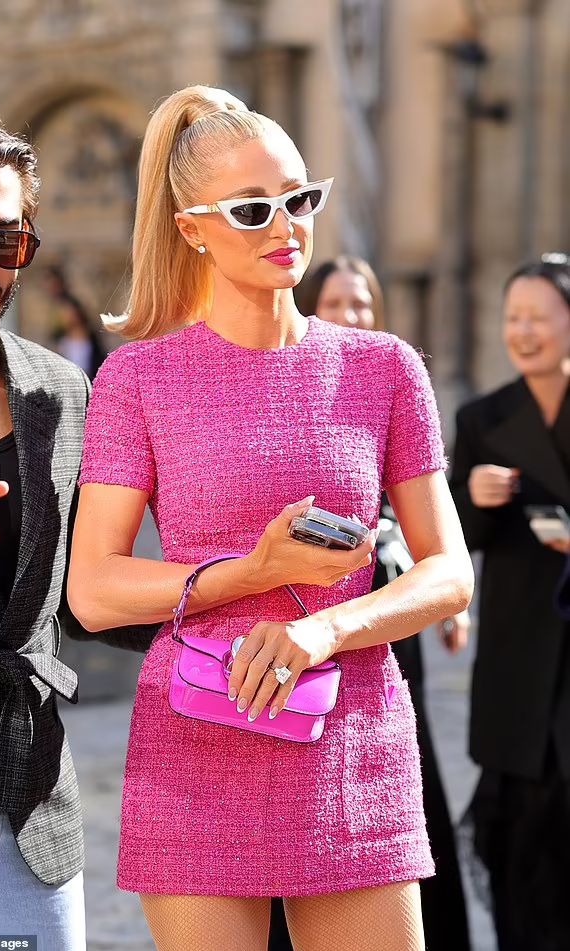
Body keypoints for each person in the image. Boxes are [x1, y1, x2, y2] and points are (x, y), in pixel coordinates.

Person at [68, 85, 473, 951]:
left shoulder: (385, 368)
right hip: (195, 745)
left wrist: (325, 630)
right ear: (192, 229)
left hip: (353, 733)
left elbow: (449, 572)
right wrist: (254, 573)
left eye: (301, 198)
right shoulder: (138, 380)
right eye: (255, 209)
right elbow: (96, 590)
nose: (288, 225)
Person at [0, 113, 155, 950]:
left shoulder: (63, 391)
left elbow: (82, 592)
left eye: (4, 240)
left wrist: (232, 593)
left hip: (28, 802)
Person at [302, 256, 472, 951]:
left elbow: (420, 515)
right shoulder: (294, 383)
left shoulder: (389, 379)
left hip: (388, 605)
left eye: (364, 302)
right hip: (310, 614)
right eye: (339, 300)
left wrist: (447, 596)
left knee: (406, 770)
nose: (353, 314)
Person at [450, 254, 570, 951]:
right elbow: (455, 539)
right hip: (518, 655)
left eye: (538, 317)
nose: (523, 332)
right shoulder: (484, 418)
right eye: (512, 318)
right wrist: (474, 497)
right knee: (522, 842)